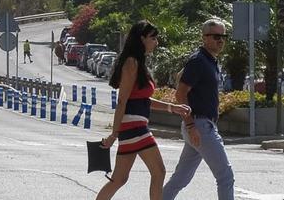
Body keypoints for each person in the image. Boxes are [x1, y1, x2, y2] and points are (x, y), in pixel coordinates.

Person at [97, 21, 190, 200]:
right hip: (134, 127)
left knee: (119, 179)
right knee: (159, 171)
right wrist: (114, 134)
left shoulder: (139, 63)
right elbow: (122, 100)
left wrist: (173, 108)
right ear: (142, 39)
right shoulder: (132, 63)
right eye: (153, 38)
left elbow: (142, 100)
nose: (156, 42)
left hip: (133, 126)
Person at [163, 18, 235, 200]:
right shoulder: (199, 61)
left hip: (202, 125)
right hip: (200, 126)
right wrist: (190, 125)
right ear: (204, 38)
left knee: (181, 178)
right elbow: (180, 95)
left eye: (223, 36)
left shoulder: (210, 61)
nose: (221, 40)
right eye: (216, 36)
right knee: (225, 176)